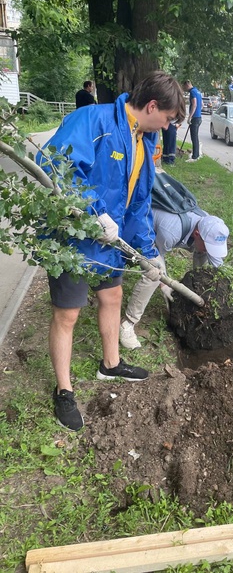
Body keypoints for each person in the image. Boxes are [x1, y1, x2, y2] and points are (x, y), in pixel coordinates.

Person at [37, 71, 186, 432]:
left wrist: (148, 252)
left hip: (110, 239)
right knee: (68, 315)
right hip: (74, 237)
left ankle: (111, 364)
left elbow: (138, 204)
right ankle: (64, 390)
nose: (167, 127)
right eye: (168, 119)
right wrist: (95, 210)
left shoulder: (144, 142)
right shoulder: (94, 120)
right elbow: (56, 166)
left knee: (113, 296)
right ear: (152, 106)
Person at [120, 210, 229, 349]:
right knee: (155, 273)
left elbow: (213, 262)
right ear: (197, 234)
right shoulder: (171, 232)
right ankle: (128, 323)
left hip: (169, 230)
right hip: (143, 225)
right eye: (208, 247)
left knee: (202, 253)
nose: (210, 251)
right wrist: (164, 285)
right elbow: (154, 253)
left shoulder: (208, 225)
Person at [182, 80, 202, 162]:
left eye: (184, 87)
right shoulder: (198, 91)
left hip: (195, 118)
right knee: (195, 136)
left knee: (194, 137)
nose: (184, 89)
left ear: (187, 85)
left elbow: (194, 104)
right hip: (199, 117)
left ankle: (195, 156)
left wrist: (190, 117)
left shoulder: (193, 92)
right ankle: (196, 154)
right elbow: (202, 105)